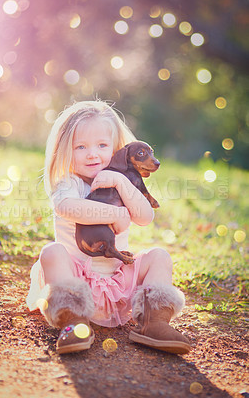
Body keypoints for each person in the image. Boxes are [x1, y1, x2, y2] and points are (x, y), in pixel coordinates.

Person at [26, 100, 191, 355]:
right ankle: (72, 323)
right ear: (65, 151)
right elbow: (67, 207)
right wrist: (115, 213)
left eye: (102, 145)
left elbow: (146, 217)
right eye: (81, 147)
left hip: (119, 284)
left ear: (116, 149)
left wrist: (119, 182)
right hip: (76, 283)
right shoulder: (68, 184)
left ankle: (153, 322)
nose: (93, 154)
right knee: (51, 253)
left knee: (159, 256)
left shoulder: (124, 182)